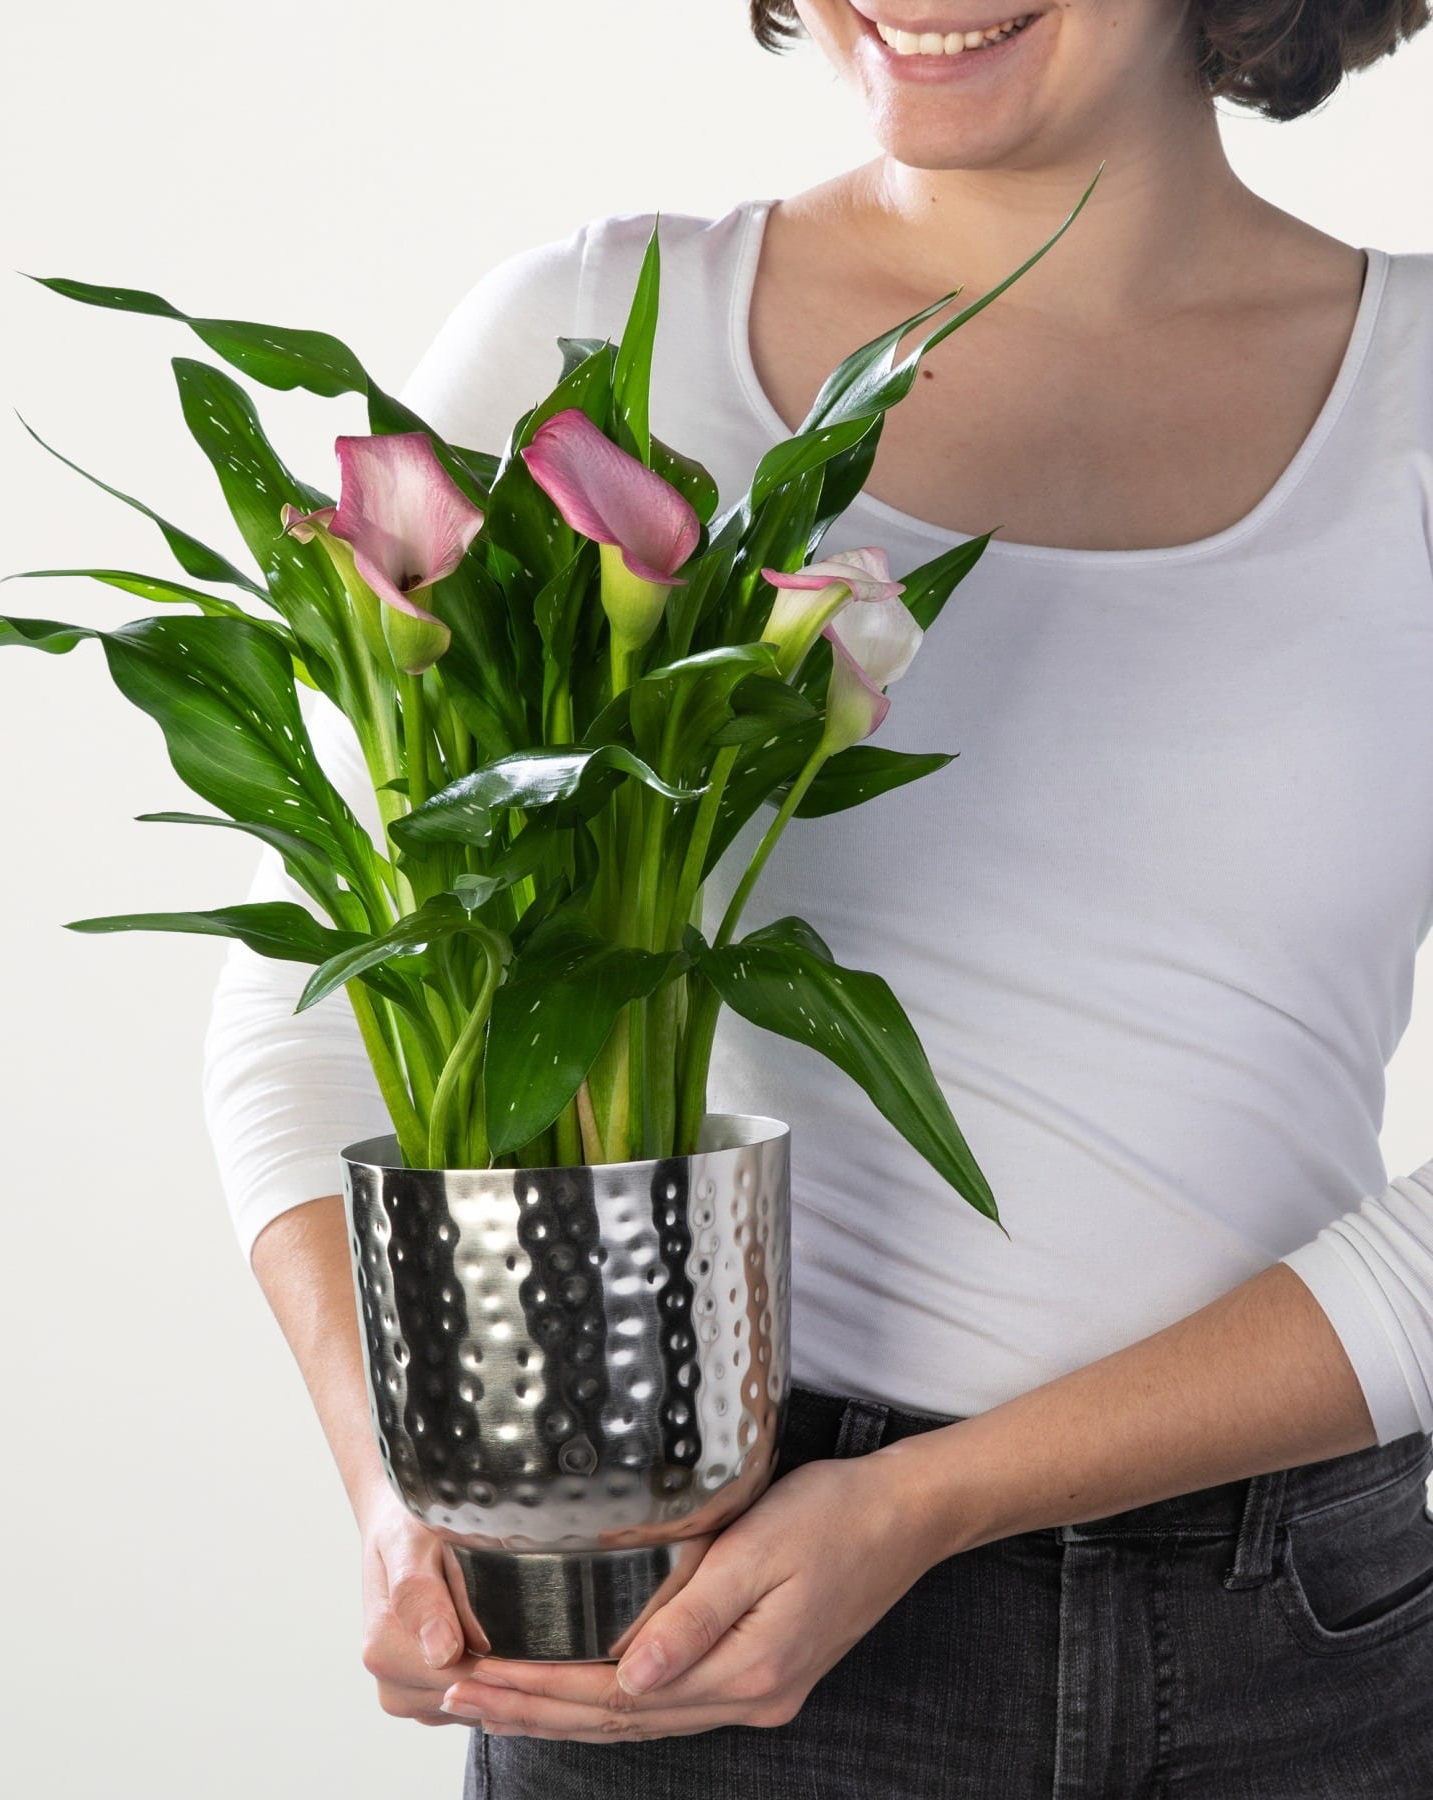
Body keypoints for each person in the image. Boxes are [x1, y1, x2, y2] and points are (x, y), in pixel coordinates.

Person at [202, 0, 1433, 1792]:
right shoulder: (603, 351)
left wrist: (931, 1506)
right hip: (695, 1622)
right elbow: (317, 1009)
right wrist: (413, 1501)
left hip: (1304, 1659)